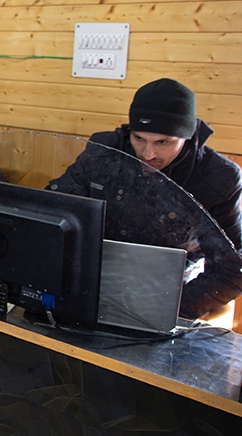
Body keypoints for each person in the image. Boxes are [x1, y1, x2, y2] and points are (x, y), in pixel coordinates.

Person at [48, 78, 242, 318]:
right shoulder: (104, 152)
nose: (148, 154)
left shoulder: (219, 178)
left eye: (163, 142)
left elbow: (233, 266)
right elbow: (55, 206)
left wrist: (172, 308)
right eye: (139, 139)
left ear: (187, 136)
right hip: (94, 273)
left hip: (170, 288)